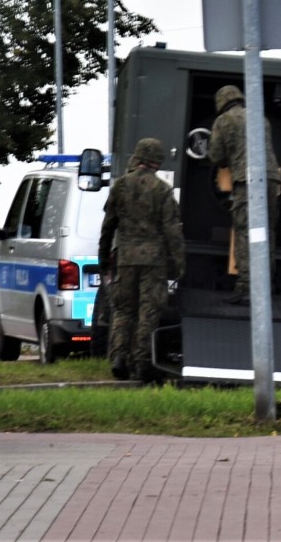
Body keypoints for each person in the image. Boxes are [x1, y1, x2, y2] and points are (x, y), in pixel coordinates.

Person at [98, 138, 185, 383]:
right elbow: (172, 230)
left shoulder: (121, 186)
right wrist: (179, 262)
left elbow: (108, 227)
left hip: (125, 257)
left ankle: (118, 357)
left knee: (124, 309)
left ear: (137, 157)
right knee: (148, 310)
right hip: (153, 261)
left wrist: (103, 258)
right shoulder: (162, 190)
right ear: (157, 161)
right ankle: (142, 362)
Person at [208, 85, 281, 305]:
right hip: (271, 180)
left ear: (221, 103)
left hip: (247, 181)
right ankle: (266, 285)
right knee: (266, 232)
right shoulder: (261, 118)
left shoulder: (224, 121)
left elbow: (216, 156)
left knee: (244, 232)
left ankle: (245, 288)